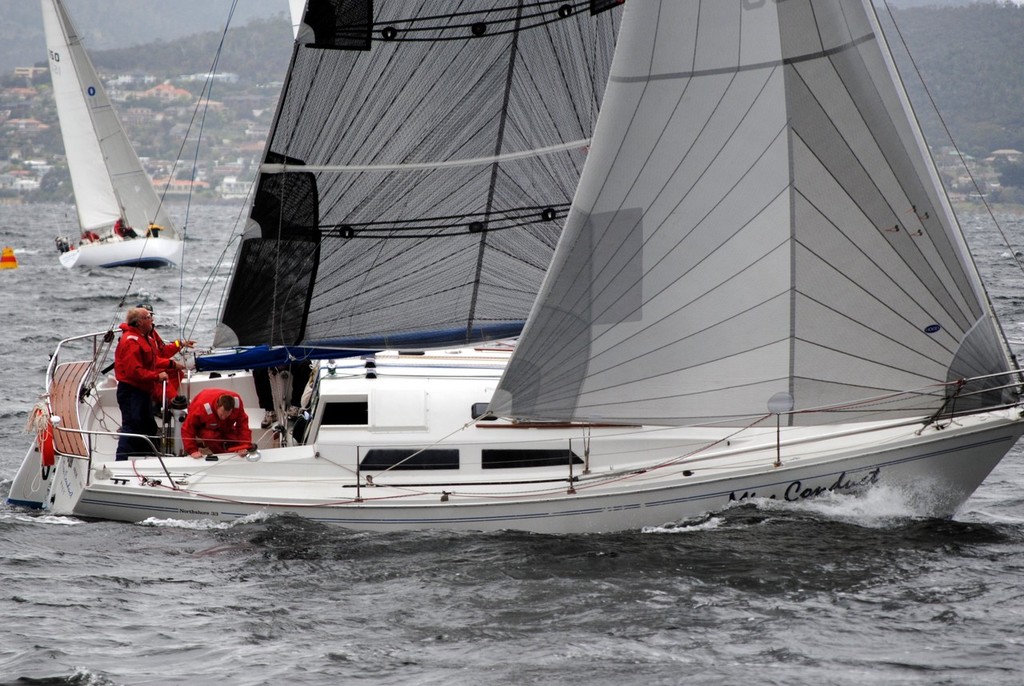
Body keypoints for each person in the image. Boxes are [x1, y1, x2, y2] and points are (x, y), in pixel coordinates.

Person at [114, 307, 184, 461]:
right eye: (148, 317)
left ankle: (147, 455)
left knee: (147, 425)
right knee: (131, 425)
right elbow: (135, 371)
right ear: (139, 322)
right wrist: (156, 376)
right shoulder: (130, 341)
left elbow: (154, 360)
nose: (152, 320)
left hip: (144, 391)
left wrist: (172, 365)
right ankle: (121, 460)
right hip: (131, 391)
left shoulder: (146, 338)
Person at [181, 389, 253, 458]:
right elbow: (188, 427)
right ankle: (219, 454)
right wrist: (192, 450)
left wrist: (244, 446)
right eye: (222, 415)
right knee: (210, 437)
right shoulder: (201, 407)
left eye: (227, 415)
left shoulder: (237, 404)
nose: (224, 417)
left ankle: (231, 451)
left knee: (235, 439)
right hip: (206, 428)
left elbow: (243, 426)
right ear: (217, 406)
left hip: (226, 427)